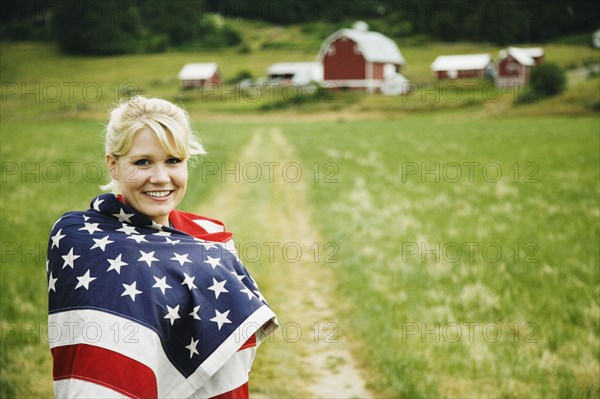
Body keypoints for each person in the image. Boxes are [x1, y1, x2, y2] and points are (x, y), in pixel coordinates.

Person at [46, 96, 277, 398]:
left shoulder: (210, 239)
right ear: (114, 166)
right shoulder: (80, 238)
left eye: (173, 161)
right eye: (142, 162)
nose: (160, 178)